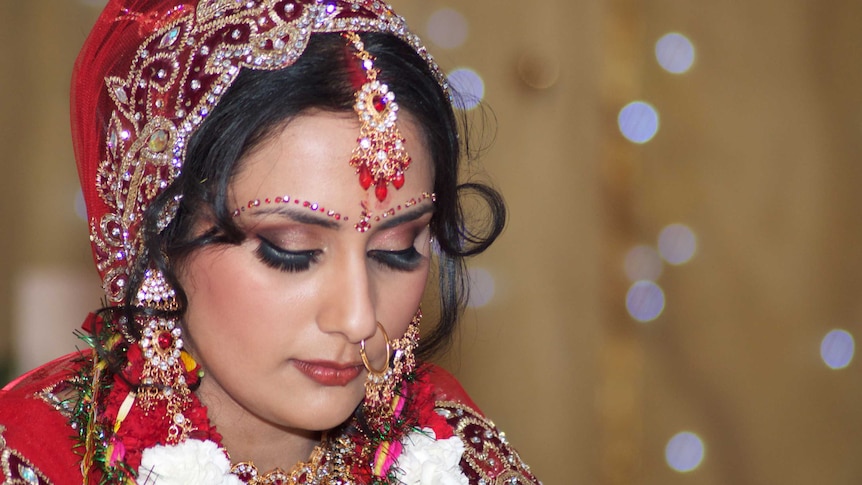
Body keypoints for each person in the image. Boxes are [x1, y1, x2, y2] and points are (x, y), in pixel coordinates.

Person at [0, 1, 538, 483]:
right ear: (158, 239)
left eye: (396, 249)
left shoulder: (453, 448)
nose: (357, 318)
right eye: (292, 252)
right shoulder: (35, 460)